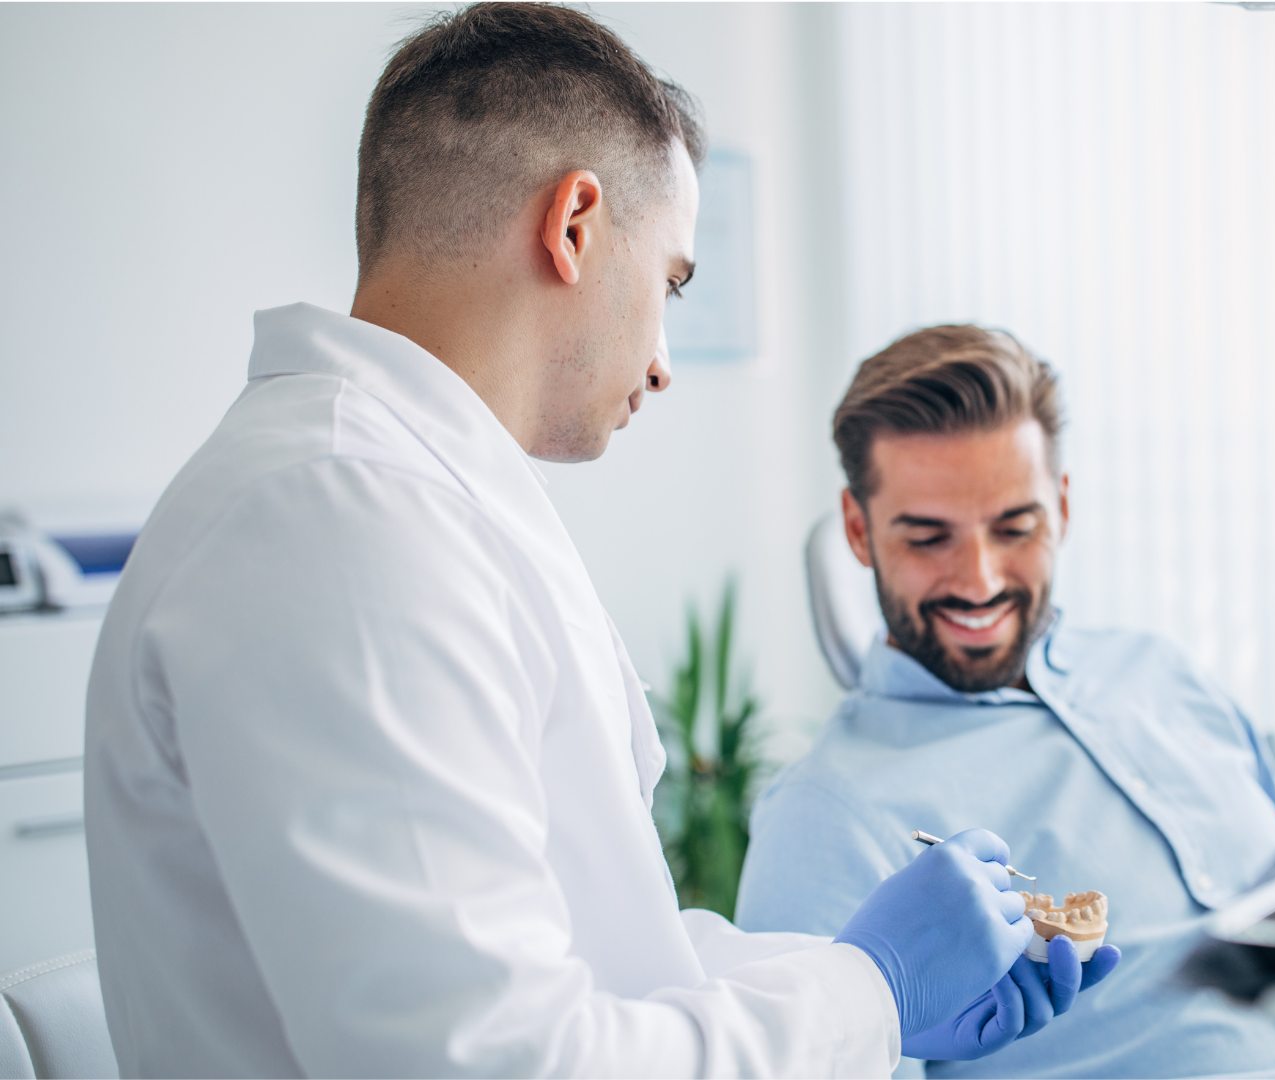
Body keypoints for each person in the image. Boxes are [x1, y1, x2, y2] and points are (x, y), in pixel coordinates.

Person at [84, 7, 1114, 1076]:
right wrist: (874, 986)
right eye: (670, 281)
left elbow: (605, 957)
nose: (664, 361)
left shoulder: (407, 501)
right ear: (574, 223)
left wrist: (876, 1006)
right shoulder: (339, 522)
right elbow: (488, 1059)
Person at [734, 326, 1275, 1079]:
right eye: (928, 537)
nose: (978, 580)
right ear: (859, 531)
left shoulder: (1164, 676)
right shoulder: (825, 816)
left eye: (1016, 527)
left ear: (1063, 508)